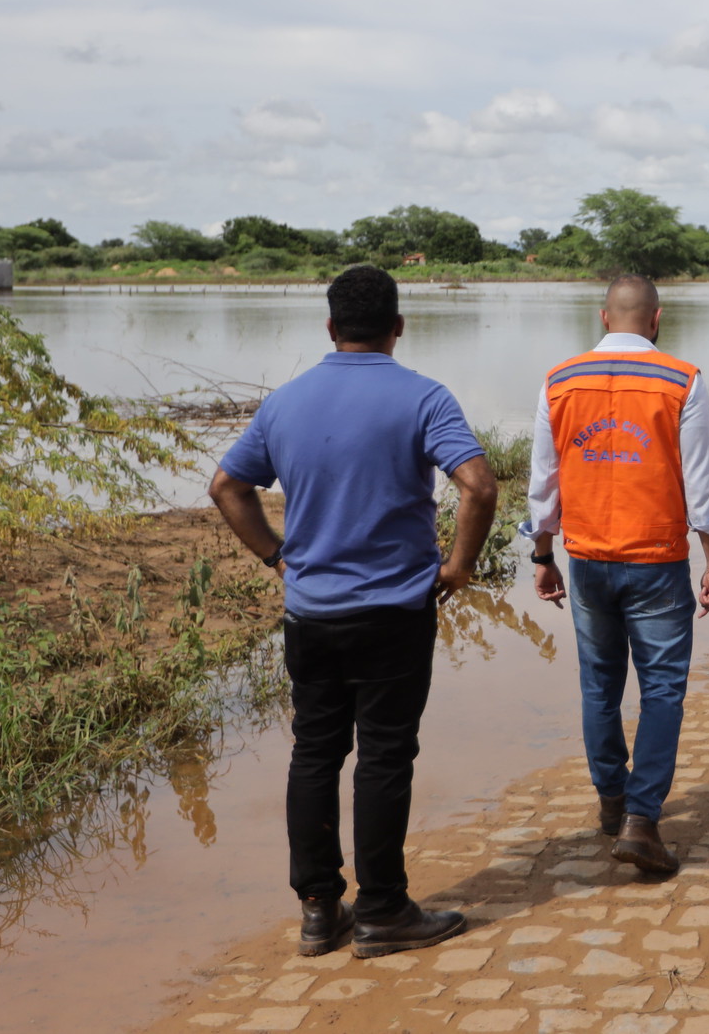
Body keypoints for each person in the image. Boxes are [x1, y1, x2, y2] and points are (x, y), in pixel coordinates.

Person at [209, 264, 498, 959]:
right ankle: (382, 909)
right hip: (396, 611)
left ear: (331, 328)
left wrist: (278, 557)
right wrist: (457, 565)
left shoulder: (286, 402)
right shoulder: (425, 397)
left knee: (315, 751)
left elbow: (226, 485)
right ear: (399, 327)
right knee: (385, 756)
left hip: (312, 613)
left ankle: (317, 908)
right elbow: (479, 486)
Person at [524, 275, 709, 874]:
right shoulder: (682, 379)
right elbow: (703, 482)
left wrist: (542, 553)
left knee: (599, 684)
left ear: (604, 317)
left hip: (587, 558)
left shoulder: (559, 380)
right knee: (662, 689)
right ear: (657, 319)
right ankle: (641, 818)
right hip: (658, 559)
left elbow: (543, 482)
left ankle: (612, 800)